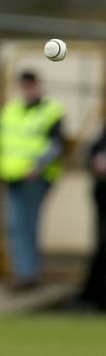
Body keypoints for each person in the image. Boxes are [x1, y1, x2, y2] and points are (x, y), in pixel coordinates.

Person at [0, 70, 65, 292]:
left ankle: (27, 275)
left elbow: (57, 145)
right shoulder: (10, 110)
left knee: (25, 224)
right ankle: (25, 272)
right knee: (16, 225)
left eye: (31, 86)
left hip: (35, 178)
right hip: (12, 176)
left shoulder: (51, 111)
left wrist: (38, 166)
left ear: (38, 86)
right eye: (24, 86)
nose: (27, 90)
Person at [74, 124, 106, 310]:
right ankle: (94, 296)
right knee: (102, 244)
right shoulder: (101, 132)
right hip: (103, 195)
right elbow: (88, 153)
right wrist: (95, 162)